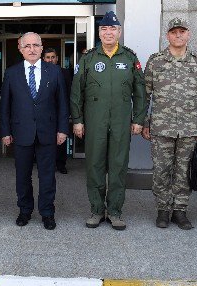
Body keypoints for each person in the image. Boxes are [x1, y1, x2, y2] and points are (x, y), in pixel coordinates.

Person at [70, 11, 146, 230]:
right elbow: (77, 92)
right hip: (95, 122)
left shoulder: (130, 58)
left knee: (118, 166)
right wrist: (77, 120)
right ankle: (96, 210)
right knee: (94, 166)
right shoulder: (89, 58)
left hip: (122, 122)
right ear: (99, 33)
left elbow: (140, 91)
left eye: (113, 29)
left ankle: (114, 211)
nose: (108, 33)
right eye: (104, 29)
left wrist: (139, 118)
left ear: (119, 32)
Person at [142, 18, 197, 230]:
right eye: (174, 32)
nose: (178, 35)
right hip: (161, 127)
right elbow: (145, 95)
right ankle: (163, 209)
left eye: (182, 31)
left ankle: (180, 210)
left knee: (183, 171)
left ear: (188, 34)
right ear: (167, 35)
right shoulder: (155, 61)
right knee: (161, 170)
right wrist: (144, 122)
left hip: (189, 128)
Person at [0, 32, 68, 230]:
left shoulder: (54, 72)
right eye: (27, 46)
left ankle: (47, 212)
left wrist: (62, 129)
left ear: (41, 47)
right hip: (21, 132)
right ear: (20, 49)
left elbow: (62, 103)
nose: (32, 49)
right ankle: (25, 210)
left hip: (48, 132)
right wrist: (5, 131)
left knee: (47, 175)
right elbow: (5, 105)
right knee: (23, 175)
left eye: (36, 45)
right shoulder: (11, 73)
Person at [42, 47, 72, 174]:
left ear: (57, 58)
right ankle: (46, 164)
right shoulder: (39, 72)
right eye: (48, 57)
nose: (50, 60)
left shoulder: (64, 73)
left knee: (61, 139)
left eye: (53, 57)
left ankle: (61, 164)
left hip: (60, 112)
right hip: (44, 113)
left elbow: (70, 92)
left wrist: (69, 111)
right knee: (45, 140)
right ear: (43, 59)